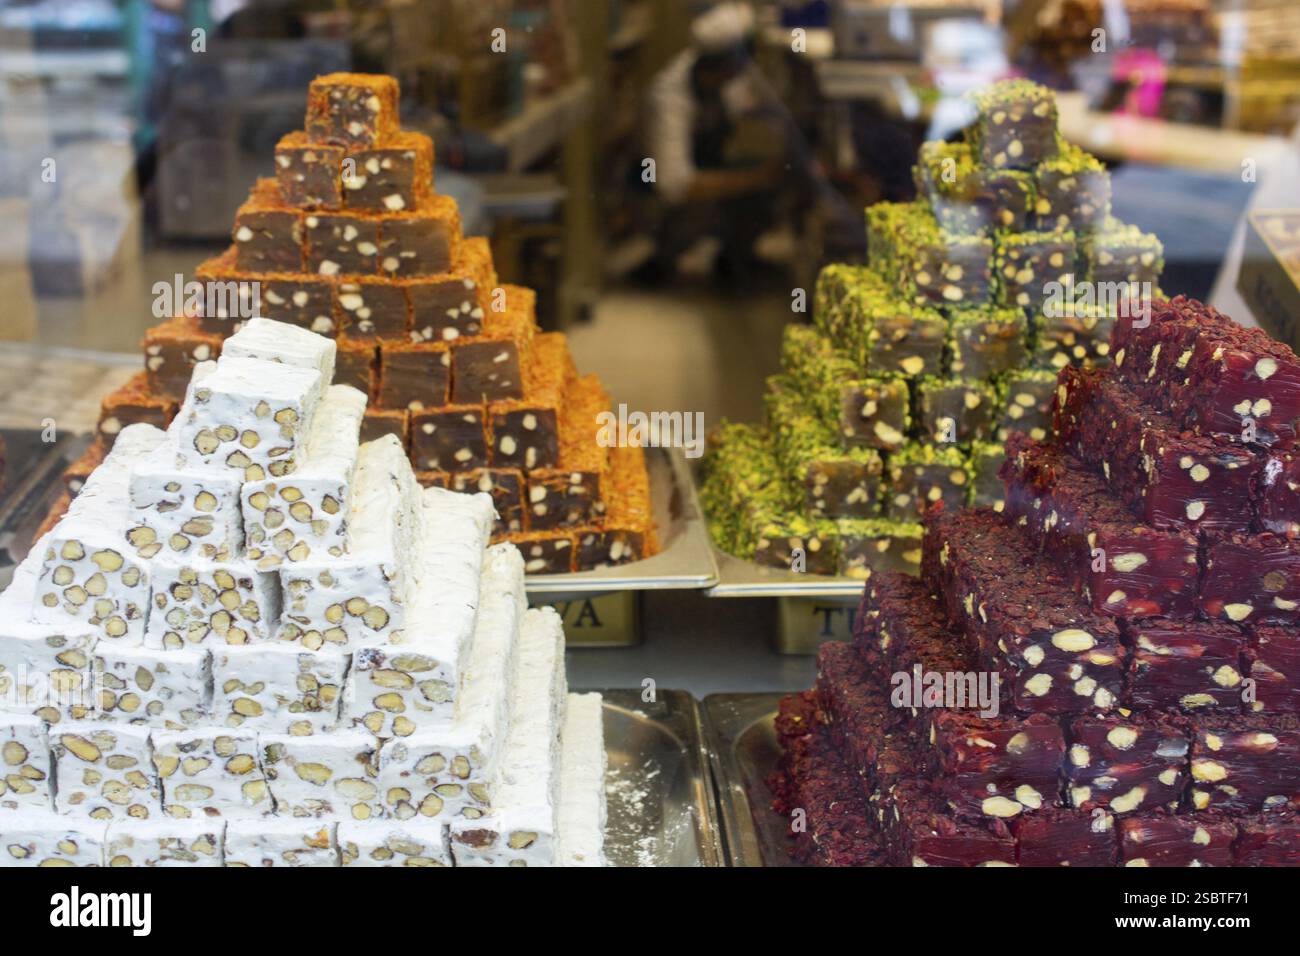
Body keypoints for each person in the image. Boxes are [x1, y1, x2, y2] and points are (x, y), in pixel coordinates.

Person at [640, 2, 788, 282]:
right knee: (754, 184)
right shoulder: (668, 98)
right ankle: (664, 255)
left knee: (767, 178)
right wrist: (760, 177)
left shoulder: (724, 81)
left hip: (704, 167)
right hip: (655, 196)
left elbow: (758, 106)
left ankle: (734, 260)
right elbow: (675, 185)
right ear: (723, 66)